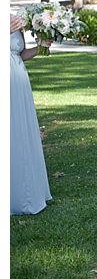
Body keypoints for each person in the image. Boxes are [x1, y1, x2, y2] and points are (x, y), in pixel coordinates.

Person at [10, 14, 53, 215]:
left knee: (20, 133)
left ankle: (24, 193)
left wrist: (41, 46)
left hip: (18, 79)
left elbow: (19, 53)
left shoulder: (16, 19)